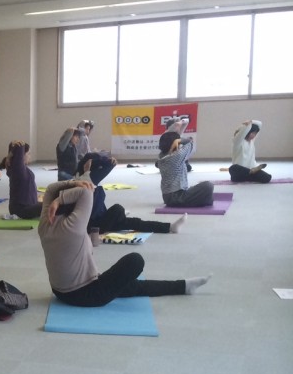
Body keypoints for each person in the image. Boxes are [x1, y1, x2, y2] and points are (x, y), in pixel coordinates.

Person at [38, 179, 211, 307]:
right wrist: (61, 198)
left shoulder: (45, 223)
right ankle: (183, 286)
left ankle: (184, 286)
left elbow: (52, 188)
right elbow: (86, 193)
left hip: (59, 291)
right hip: (85, 294)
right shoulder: (73, 226)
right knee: (135, 261)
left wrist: (59, 198)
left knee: (132, 287)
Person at [78, 152, 184, 235]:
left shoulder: (91, 179)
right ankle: (169, 227)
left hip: (102, 219)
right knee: (117, 209)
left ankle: (170, 227)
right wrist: (100, 164)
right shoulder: (85, 180)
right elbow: (110, 165)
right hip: (94, 226)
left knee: (135, 222)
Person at [155, 118, 214, 208]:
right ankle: (204, 200)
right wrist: (179, 140)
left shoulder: (161, 156)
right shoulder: (176, 156)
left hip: (167, 197)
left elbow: (167, 135)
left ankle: (203, 200)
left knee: (201, 190)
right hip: (176, 197)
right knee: (208, 186)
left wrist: (179, 127)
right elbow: (190, 142)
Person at [4, 140, 42, 220]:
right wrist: (19, 145)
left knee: (51, 201)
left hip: (28, 205)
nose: (30, 156)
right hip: (21, 209)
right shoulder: (18, 169)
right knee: (50, 205)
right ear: (22, 155)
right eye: (28, 154)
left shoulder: (18, 168)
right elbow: (18, 148)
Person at [229, 119, 271, 183]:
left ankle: (249, 174)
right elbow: (244, 130)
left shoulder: (252, 141)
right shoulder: (238, 141)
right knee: (233, 168)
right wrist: (247, 124)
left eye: (255, 133)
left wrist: (252, 121)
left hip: (252, 169)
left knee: (267, 177)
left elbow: (260, 124)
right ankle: (249, 174)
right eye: (252, 133)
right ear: (247, 132)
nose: (253, 135)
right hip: (240, 170)